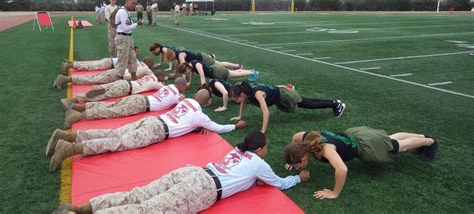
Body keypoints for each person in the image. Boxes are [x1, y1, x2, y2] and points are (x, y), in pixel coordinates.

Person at [51, 131, 310, 212]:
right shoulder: (258, 163)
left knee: (140, 193)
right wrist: (298, 177)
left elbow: (244, 178)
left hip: (191, 173)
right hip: (202, 187)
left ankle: (84, 208)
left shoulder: (237, 151)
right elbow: (277, 183)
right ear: (262, 148)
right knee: (148, 210)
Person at [47, 88, 246, 172]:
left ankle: (69, 136)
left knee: (114, 133)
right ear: (209, 102)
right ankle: (70, 148)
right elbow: (219, 128)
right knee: (118, 142)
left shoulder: (185, 104)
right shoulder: (200, 116)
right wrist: (235, 125)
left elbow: (185, 121)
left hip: (152, 120)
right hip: (157, 130)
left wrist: (196, 128)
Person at [284, 127, 439, 200]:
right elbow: (295, 138)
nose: (296, 168)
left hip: (365, 144)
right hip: (356, 135)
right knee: (391, 140)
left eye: (297, 165)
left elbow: (342, 169)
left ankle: (430, 141)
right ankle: (421, 135)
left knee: (398, 147)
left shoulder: (326, 150)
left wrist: (334, 192)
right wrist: (293, 159)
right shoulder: (302, 139)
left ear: (304, 159)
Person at [62, 77, 189, 129]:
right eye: (185, 86)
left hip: (137, 97)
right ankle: (78, 115)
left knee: (109, 105)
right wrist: (181, 99)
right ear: (181, 86)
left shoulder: (168, 87)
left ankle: (78, 106)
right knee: (111, 111)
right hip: (141, 104)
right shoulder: (176, 95)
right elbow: (180, 106)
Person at [230, 81, 346, 133]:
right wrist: (240, 116)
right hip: (279, 94)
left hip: (285, 95)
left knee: (308, 104)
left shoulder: (256, 94)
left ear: (242, 94)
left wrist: (262, 131)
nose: (237, 101)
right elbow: (243, 102)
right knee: (307, 101)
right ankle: (334, 102)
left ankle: (336, 104)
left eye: (236, 98)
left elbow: (266, 112)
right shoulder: (245, 92)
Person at [61, 69, 166, 106]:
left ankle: (74, 99)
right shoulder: (156, 82)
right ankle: (72, 100)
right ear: (160, 76)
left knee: (102, 90)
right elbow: (164, 88)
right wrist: (163, 82)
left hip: (124, 83)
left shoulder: (149, 76)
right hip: (126, 88)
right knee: (102, 94)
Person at [53, 57, 155, 89]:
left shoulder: (137, 63)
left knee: (93, 75)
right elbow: (155, 78)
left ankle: (67, 71)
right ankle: (65, 79)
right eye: (152, 63)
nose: (153, 65)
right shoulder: (146, 69)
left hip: (115, 72)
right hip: (116, 75)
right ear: (149, 63)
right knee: (92, 79)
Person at [177, 60, 259, 86]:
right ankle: (251, 71)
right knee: (234, 72)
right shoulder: (191, 65)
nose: (186, 74)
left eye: (185, 72)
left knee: (235, 74)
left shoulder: (197, 65)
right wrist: (189, 82)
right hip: (215, 70)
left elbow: (202, 77)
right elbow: (192, 73)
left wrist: (204, 89)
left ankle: (253, 72)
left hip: (217, 72)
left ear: (187, 67)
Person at [114, 0, 139, 80]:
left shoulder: (126, 12)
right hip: (123, 37)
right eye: (133, 3)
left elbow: (128, 25)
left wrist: (133, 25)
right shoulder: (122, 12)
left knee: (132, 58)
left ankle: (134, 80)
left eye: (135, 4)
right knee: (122, 61)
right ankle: (118, 82)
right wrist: (137, 24)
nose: (134, 5)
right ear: (127, 1)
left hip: (128, 37)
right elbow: (125, 28)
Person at [61, 47, 140, 71]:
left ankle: (70, 63)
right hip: (109, 63)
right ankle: (69, 65)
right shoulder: (132, 59)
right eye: (136, 52)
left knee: (90, 65)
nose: (138, 53)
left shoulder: (132, 59)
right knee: (90, 66)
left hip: (108, 62)